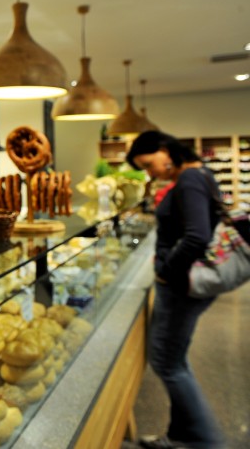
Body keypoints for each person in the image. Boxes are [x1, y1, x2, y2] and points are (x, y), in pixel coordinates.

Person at [126, 130, 226, 449]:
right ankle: (182, 434)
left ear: (164, 149)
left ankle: (205, 441)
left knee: (167, 363)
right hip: (184, 283)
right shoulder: (196, 174)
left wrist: (166, 272)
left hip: (181, 286)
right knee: (175, 360)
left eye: (148, 164)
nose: (150, 172)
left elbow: (197, 236)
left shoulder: (190, 179)